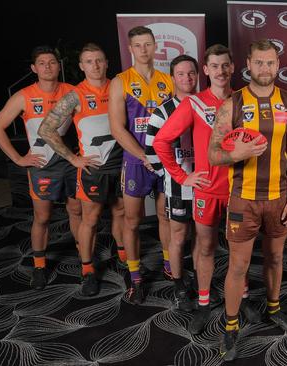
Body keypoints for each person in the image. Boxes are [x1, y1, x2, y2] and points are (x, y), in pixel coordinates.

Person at [207, 39, 287, 361]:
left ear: (278, 65)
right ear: (248, 63)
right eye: (259, 62)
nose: (265, 68)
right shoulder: (231, 104)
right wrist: (237, 153)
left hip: (279, 199)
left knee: (276, 260)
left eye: (271, 63)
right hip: (243, 200)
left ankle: (274, 309)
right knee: (238, 266)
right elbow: (213, 154)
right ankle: (231, 326)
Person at [153, 45, 260, 331]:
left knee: (240, 252)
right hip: (207, 191)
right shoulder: (195, 104)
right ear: (206, 69)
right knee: (206, 247)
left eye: (225, 65)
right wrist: (181, 177)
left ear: (234, 67)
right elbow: (160, 141)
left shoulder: (245, 101)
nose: (221, 71)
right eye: (215, 66)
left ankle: (244, 298)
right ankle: (203, 303)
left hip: (240, 190)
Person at [38, 43, 125, 296]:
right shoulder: (75, 95)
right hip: (92, 169)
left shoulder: (119, 87)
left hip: (121, 163)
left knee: (120, 212)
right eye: (89, 61)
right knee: (91, 219)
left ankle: (123, 257)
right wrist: (72, 159)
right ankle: (87, 270)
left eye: (99, 60)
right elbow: (46, 129)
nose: (95, 66)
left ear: (107, 62)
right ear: (81, 66)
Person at [0, 45, 81, 290]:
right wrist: (18, 158)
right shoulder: (23, 96)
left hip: (68, 161)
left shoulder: (72, 92)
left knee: (76, 211)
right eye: (42, 63)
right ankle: (40, 266)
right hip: (41, 164)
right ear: (34, 68)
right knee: (43, 216)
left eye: (52, 62)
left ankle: (85, 261)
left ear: (59, 66)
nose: (47, 67)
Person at [109, 26, 174, 304]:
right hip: (136, 161)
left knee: (166, 216)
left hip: (165, 161)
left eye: (148, 44)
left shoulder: (168, 80)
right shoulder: (120, 81)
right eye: (138, 45)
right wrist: (143, 155)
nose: (144, 50)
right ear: (131, 48)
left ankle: (171, 266)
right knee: (132, 220)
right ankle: (135, 277)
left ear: (154, 46)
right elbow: (117, 128)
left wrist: (162, 156)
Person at [145, 54, 198, 312]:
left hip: (205, 186)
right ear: (173, 78)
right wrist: (170, 176)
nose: (186, 78)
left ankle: (201, 283)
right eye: (181, 74)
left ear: (198, 75)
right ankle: (179, 287)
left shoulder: (206, 105)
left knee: (203, 238)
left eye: (191, 73)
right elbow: (150, 149)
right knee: (178, 237)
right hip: (178, 186)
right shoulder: (164, 110)